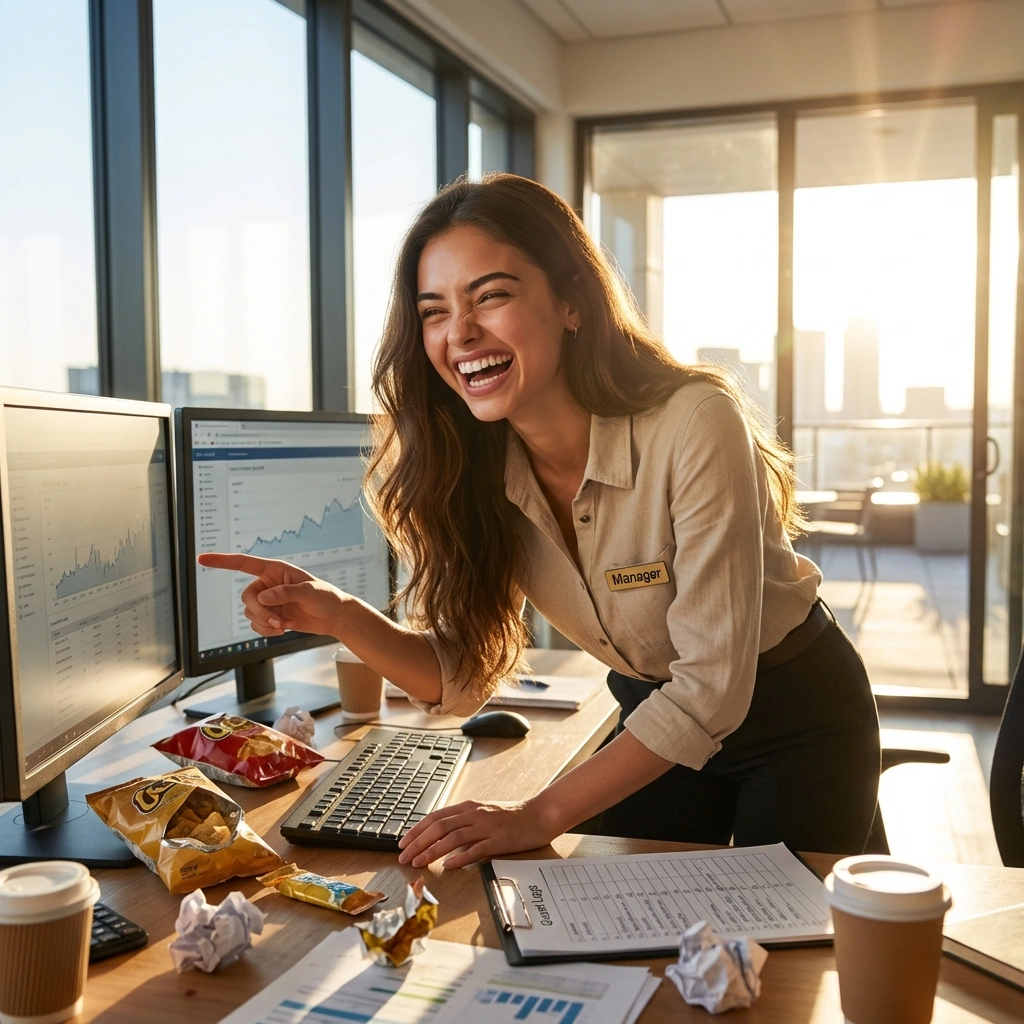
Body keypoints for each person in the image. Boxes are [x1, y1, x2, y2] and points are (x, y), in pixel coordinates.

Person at [200, 174, 880, 870]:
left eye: (490, 295)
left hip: (794, 716)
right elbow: (462, 676)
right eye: (434, 310)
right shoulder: (477, 468)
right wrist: (340, 614)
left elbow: (711, 688)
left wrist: (537, 812)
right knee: (625, 932)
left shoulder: (695, 422)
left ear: (572, 303)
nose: (461, 332)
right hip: (656, 720)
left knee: (774, 952)